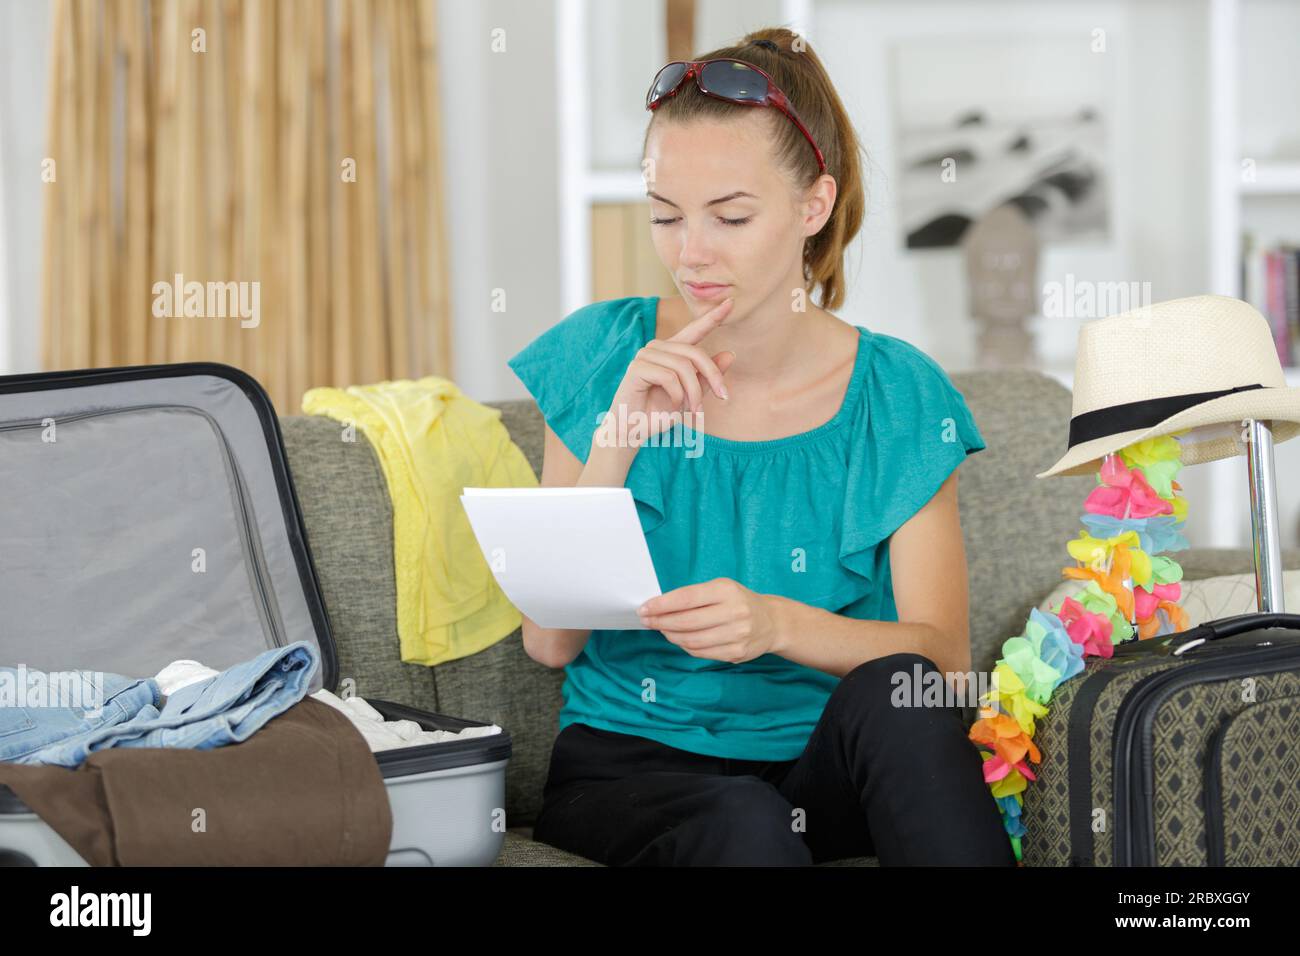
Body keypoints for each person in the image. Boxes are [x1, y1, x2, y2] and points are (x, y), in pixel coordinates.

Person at [506, 27, 1015, 867]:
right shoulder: (603, 354)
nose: (691, 253)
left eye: (731, 216)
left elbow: (944, 662)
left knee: (902, 698)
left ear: (813, 206)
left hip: (818, 771)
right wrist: (619, 435)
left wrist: (776, 623)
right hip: (629, 773)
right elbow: (548, 642)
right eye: (665, 215)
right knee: (746, 823)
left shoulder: (898, 394)